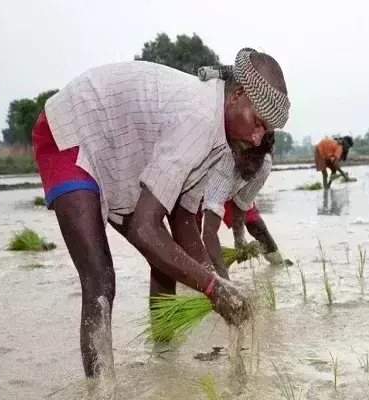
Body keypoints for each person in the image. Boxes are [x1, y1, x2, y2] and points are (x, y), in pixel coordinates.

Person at [31, 47, 290, 398]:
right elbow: (144, 229)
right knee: (100, 280)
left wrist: (215, 283)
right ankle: (101, 390)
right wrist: (214, 287)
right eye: (258, 123)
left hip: (122, 160)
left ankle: (164, 358)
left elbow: (183, 219)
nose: (259, 138)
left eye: (266, 130)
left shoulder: (221, 141)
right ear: (238, 94)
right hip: (73, 132)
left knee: (167, 262)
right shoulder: (199, 117)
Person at [195, 133, 287, 279]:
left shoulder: (263, 165)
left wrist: (239, 239)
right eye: (248, 157)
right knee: (191, 233)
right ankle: (196, 274)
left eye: (257, 159)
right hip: (203, 191)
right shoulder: (224, 161)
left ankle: (279, 265)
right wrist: (226, 285)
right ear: (237, 151)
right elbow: (209, 232)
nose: (251, 167)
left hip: (234, 190)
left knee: (257, 226)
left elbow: (242, 203)